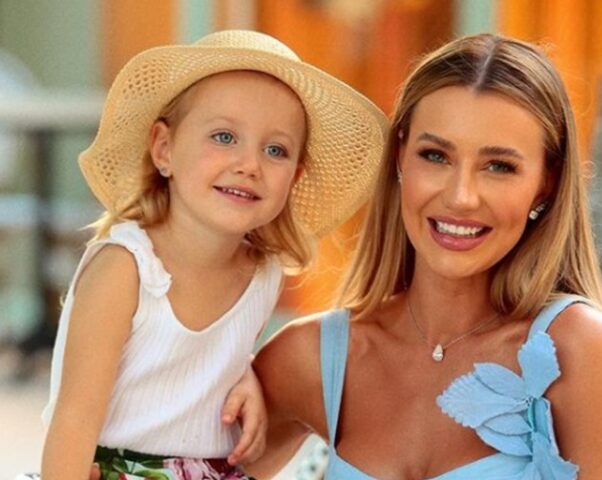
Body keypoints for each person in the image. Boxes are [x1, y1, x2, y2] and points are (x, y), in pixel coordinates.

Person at [224, 33, 602, 479]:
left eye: (499, 166)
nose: (461, 196)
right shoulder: (315, 357)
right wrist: (216, 370)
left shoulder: (575, 349)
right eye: (435, 156)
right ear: (400, 158)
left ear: (546, 183)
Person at [39, 30, 387, 480]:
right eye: (224, 137)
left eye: (275, 150)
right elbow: (73, 421)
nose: (250, 164)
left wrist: (245, 376)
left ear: (295, 177)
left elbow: (195, 369)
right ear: (164, 148)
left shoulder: (261, 274)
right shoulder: (125, 269)